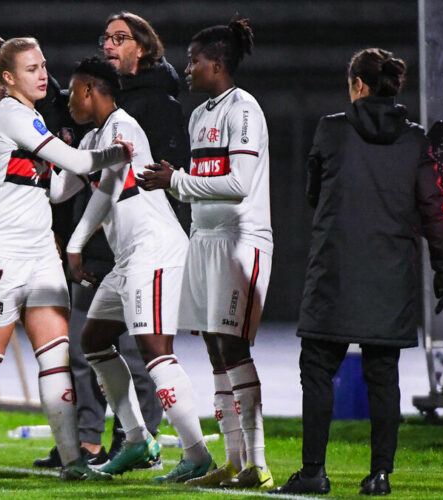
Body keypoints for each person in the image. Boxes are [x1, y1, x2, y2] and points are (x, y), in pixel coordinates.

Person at [0, 34, 132, 481]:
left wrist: (91, 167)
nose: (43, 74)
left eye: (44, 65)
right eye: (31, 68)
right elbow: (78, 165)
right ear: (6, 79)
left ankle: (73, 461)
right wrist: (112, 153)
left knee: (55, 358)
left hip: (41, 252)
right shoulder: (7, 114)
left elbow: (58, 186)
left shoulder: (33, 118)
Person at [268, 48, 443, 496]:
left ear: (357, 84)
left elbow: (314, 193)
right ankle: (380, 476)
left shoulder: (331, 130)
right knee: (382, 374)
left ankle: (314, 472)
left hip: (335, 271)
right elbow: (433, 208)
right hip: (390, 272)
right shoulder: (414, 141)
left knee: (316, 368)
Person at [58, 56, 215, 483]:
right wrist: (45, 149)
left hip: (156, 251)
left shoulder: (123, 126)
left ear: (90, 89)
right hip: (129, 258)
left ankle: (197, 453)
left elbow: (109, 185)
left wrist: (75, 244)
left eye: (73, 90)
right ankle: (136, 439)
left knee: (154, 352)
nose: (68, 98)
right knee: (94, 341)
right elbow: (58, 191)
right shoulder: (92, 137)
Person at [137, 18, 276, 490]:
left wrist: (175, 181)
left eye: (194, 60)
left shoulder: (245, 110)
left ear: (217, 63)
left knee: (234, 346)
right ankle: (235, 462)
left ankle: (258, 462)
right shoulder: (199, 116)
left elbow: (237, 184)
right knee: (216, 348)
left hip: (241, 238)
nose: (187, 67)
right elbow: (203, 187)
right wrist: (178, 184)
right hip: (205, 239)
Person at [102, 11, 192, 232]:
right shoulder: (104, 99)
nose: (107, 46)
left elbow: (165, 178)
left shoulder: (160, 104)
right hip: (101, 234)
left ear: (141, 49)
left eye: (119, 38)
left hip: (141, 237)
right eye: (106, 38)